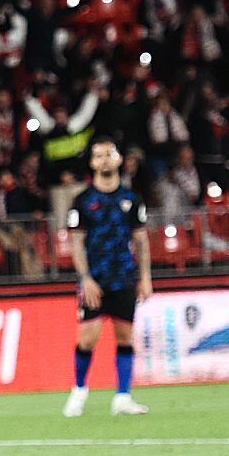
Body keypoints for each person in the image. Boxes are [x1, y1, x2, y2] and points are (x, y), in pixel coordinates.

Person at [63, 137, 152, 417]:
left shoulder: (131, 199)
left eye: (108, 154)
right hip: (95, 280)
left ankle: (123, 396)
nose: (104, 159)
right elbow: (76, 242)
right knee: (88, 337)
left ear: (118, 160)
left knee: (125, 336)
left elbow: (141, 240)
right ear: (91, 163)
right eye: (98, 155)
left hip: (123, 277)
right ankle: (79, 390)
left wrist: (145, 276)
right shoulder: (83, 201)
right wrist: (85, 278)